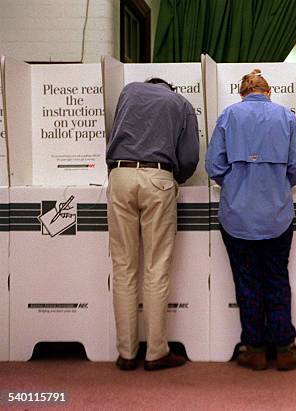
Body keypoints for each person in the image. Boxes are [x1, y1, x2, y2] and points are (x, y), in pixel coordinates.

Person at [206, 69, 296, 371]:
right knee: (277, 277)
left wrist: (236, 183)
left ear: (242, 93)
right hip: (276, 213)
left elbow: (214, 165)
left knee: (247, 280)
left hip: (237, 215)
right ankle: (285, 348)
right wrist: (277, 183)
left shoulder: (228, 116)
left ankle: (254, 349)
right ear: (269, 92)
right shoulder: (286, 117)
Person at [106, 78, 199, 371]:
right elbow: (189, 157)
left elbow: (114, 133)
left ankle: (126, 353)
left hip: (119, 175)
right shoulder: (181, 104)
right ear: (170, 87)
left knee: (123, 268)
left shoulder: (128, 92)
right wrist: (174, 179)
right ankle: (156, 352)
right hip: (157, 177)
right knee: (156, 268)